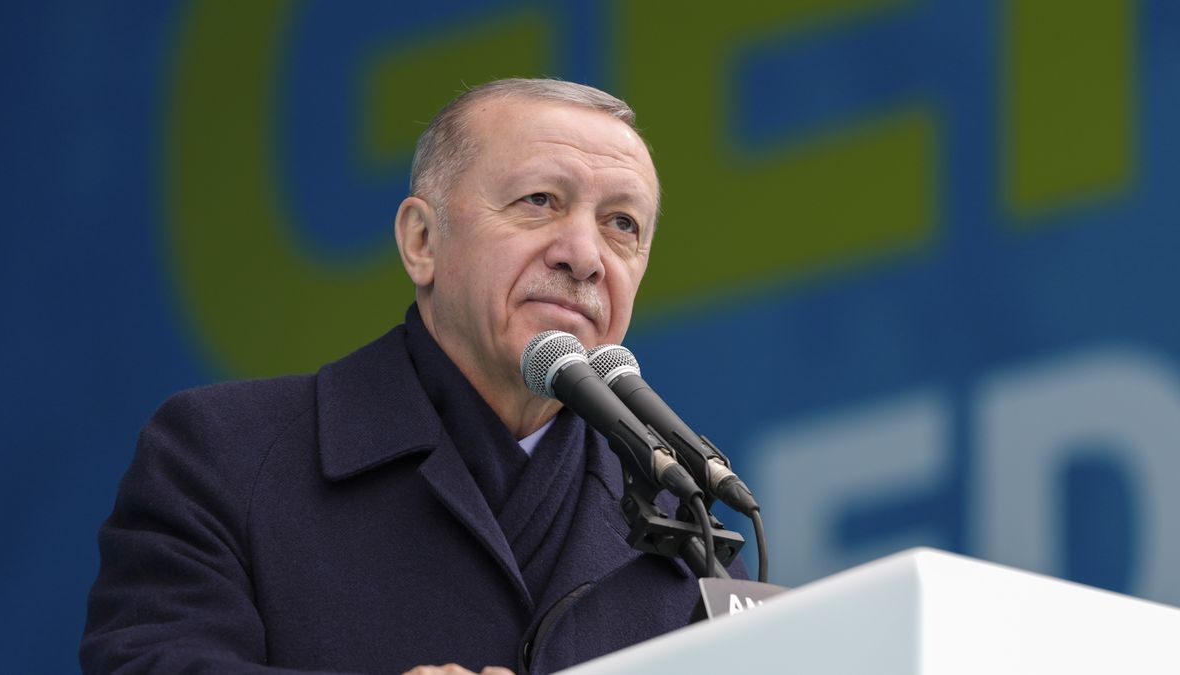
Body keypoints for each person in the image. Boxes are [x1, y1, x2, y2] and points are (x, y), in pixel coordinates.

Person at [81, 78, 745, 675]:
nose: (585, 255)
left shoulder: (685, 527)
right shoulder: (223, 454)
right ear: (422, 242)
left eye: (621, 224)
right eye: (540, 200)